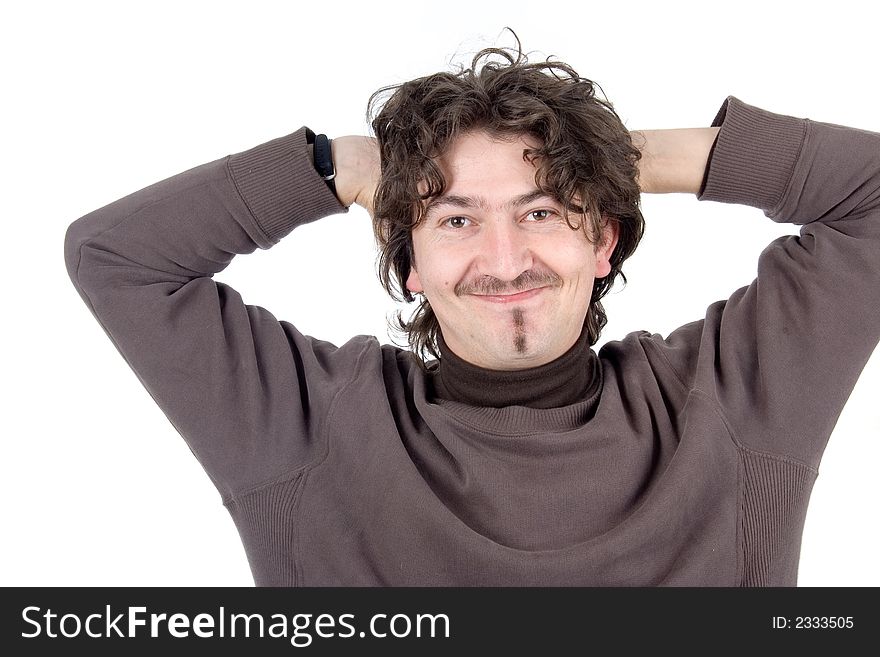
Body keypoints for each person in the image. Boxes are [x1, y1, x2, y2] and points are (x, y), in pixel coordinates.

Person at [64, 42, 880, 586]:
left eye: (542, 210)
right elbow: (115, 256)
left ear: (604, 240)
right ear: (409, 262)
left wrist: (605, 156)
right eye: (456, 218)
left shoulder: (731, 401)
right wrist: (335, 166)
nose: (502, 258)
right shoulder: (306, 424)